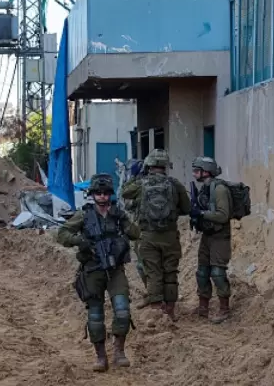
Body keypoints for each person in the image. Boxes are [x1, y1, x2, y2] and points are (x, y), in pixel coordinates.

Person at [58, 174, 139, 371]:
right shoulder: (84, 215)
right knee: (95, 315)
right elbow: (62, 234)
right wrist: (80, 241)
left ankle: (119, 351)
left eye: (105, 193)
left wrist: (124, 219)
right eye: (98, 193)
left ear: (110, 194)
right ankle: (100, 356)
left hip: (115, 270)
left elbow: (136, 234)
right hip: (93, 270)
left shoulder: (117, 214)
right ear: (93, 194)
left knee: (122, 310)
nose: (102, 197)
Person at [121, 149, 190, 320]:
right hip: (170, 236)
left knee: (153, 273)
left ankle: (157, 310)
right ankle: (170, 310)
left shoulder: (140, 184)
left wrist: (136, 176)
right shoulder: (175, 184)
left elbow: (124, 192)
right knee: (170, 273)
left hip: (148, 236)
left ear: (148, 165)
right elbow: (187, 208)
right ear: (165, 166)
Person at [191, 156, 232, 323]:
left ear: (206, 171)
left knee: (217, 273)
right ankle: (203, 306)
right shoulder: (205, 188)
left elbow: (223, 215)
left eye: (197, 170)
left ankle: (224, 309)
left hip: (220, 236)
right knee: (202, 272)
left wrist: (201, 213)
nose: (194, 174)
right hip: (207, 235)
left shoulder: (220, 189)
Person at [122, 159, 149, 308]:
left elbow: (125, 195)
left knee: (142, 265)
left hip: (143, 231)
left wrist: (132, 177)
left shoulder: (139, 185)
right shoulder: (166, 184)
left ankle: (153, 293)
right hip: (163, 231)